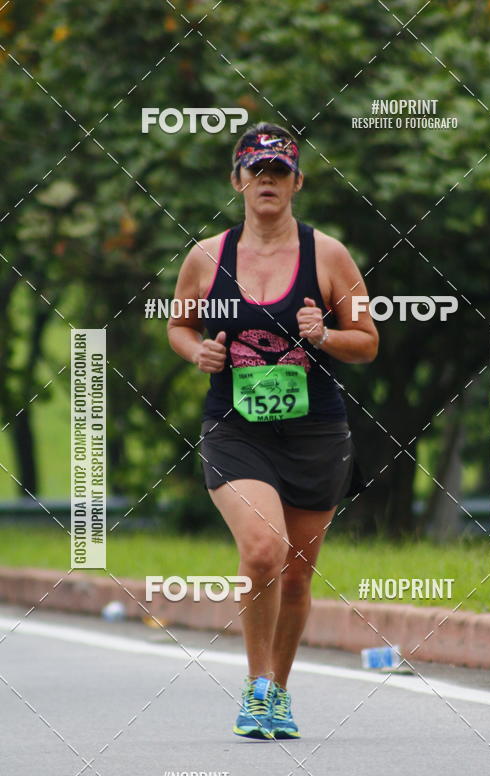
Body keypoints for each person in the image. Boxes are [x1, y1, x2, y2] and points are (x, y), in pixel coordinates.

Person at [168, 122, 378, 740]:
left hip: (315, 431)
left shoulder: (330, 256)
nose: (267, 181)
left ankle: (279, 693)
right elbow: (179, 327)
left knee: (297, 572)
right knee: (264, 551)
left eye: (279, 171)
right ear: (237, 180)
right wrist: (195, 352)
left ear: (296, 183)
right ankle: (256, 687)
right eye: (256, 170)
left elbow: (367, 343)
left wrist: (325, 336)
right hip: (236, 429)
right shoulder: (206, 257)